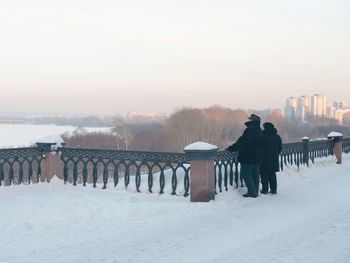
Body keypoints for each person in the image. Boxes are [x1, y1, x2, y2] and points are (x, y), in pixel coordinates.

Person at [226, 114, 263, 198]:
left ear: (252, 121)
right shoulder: (259, 130)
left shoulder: (249, 130)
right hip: (257, 156)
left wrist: (231, 148)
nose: (248, 121)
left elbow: (242, 141)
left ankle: (252, 192)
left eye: (250, 120)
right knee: (255, 174)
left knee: (246, 174)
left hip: (248, 156)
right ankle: (255, 191)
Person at [260, 122, 282, 194]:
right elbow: (280, 148)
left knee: (264, 174)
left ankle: (265, 190)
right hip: (274, 159)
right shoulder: (277, 137)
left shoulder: (263, 136)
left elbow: (260, 148)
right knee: (272, 174)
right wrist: (275, 154)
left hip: (264, 159)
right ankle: (274, 190)